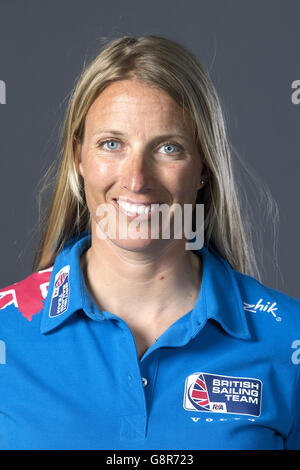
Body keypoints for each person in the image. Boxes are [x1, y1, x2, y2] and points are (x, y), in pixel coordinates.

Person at [0, 35, 299, 451]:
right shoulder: (6, 333)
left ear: (203, 169)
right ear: (78, 158)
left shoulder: (290, 341)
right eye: (111, 144)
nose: (137, 179)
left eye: (168, 148)